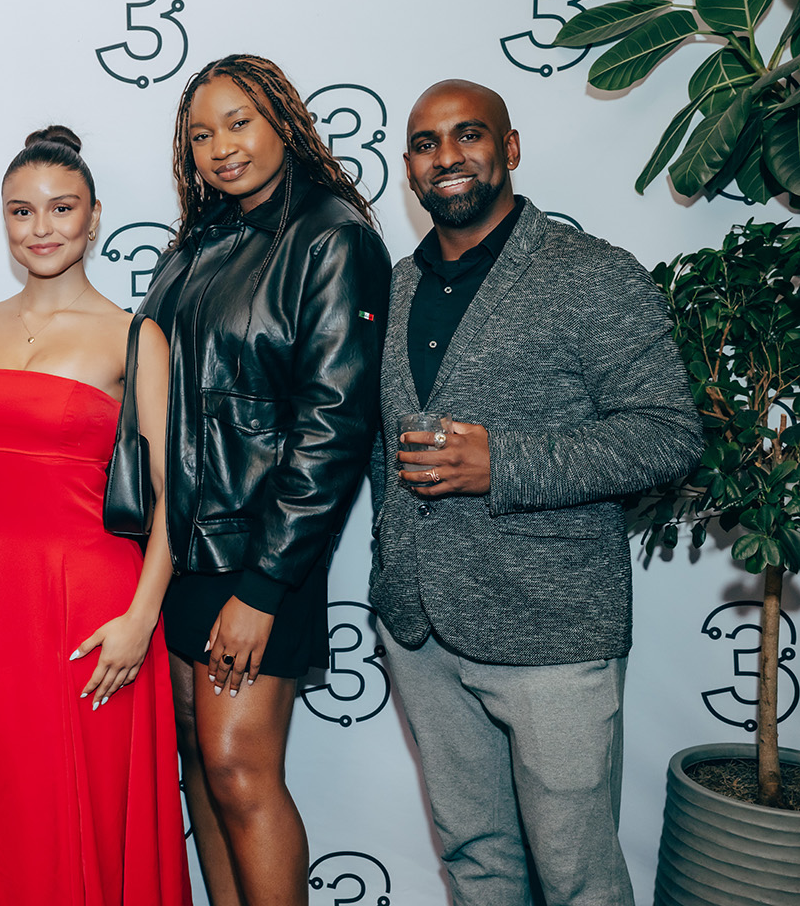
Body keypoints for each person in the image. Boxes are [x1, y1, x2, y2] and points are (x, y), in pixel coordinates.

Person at [371, 79, 702, 905]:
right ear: (409, 167)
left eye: (469, 134)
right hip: (420, 630)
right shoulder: (398, 285)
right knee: (475, 862)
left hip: (552, 628)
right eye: (425, 143)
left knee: (576, 876)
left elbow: (667, 435)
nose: (447, 156)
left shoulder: (593, 273)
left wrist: (505, 464)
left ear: (509, 147)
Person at [139, 54, 391, 906]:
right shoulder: (200, 243)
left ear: (284, 120)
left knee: (239, 769)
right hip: (185, 550)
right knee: (201, 766)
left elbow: (335, 424)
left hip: (258, 554)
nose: (221, 147)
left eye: (239, 122)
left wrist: (265, 586)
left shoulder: (332, 237)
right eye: (201, 135)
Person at [0, 126, 192, 906]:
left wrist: (140, 620)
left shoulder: (134, 335)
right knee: (6, 805)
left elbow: (174, 494)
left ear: (93, 217)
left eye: (61, 208)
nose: (41, 228)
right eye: (21, 211)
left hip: (93, 607)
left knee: (89, 800)